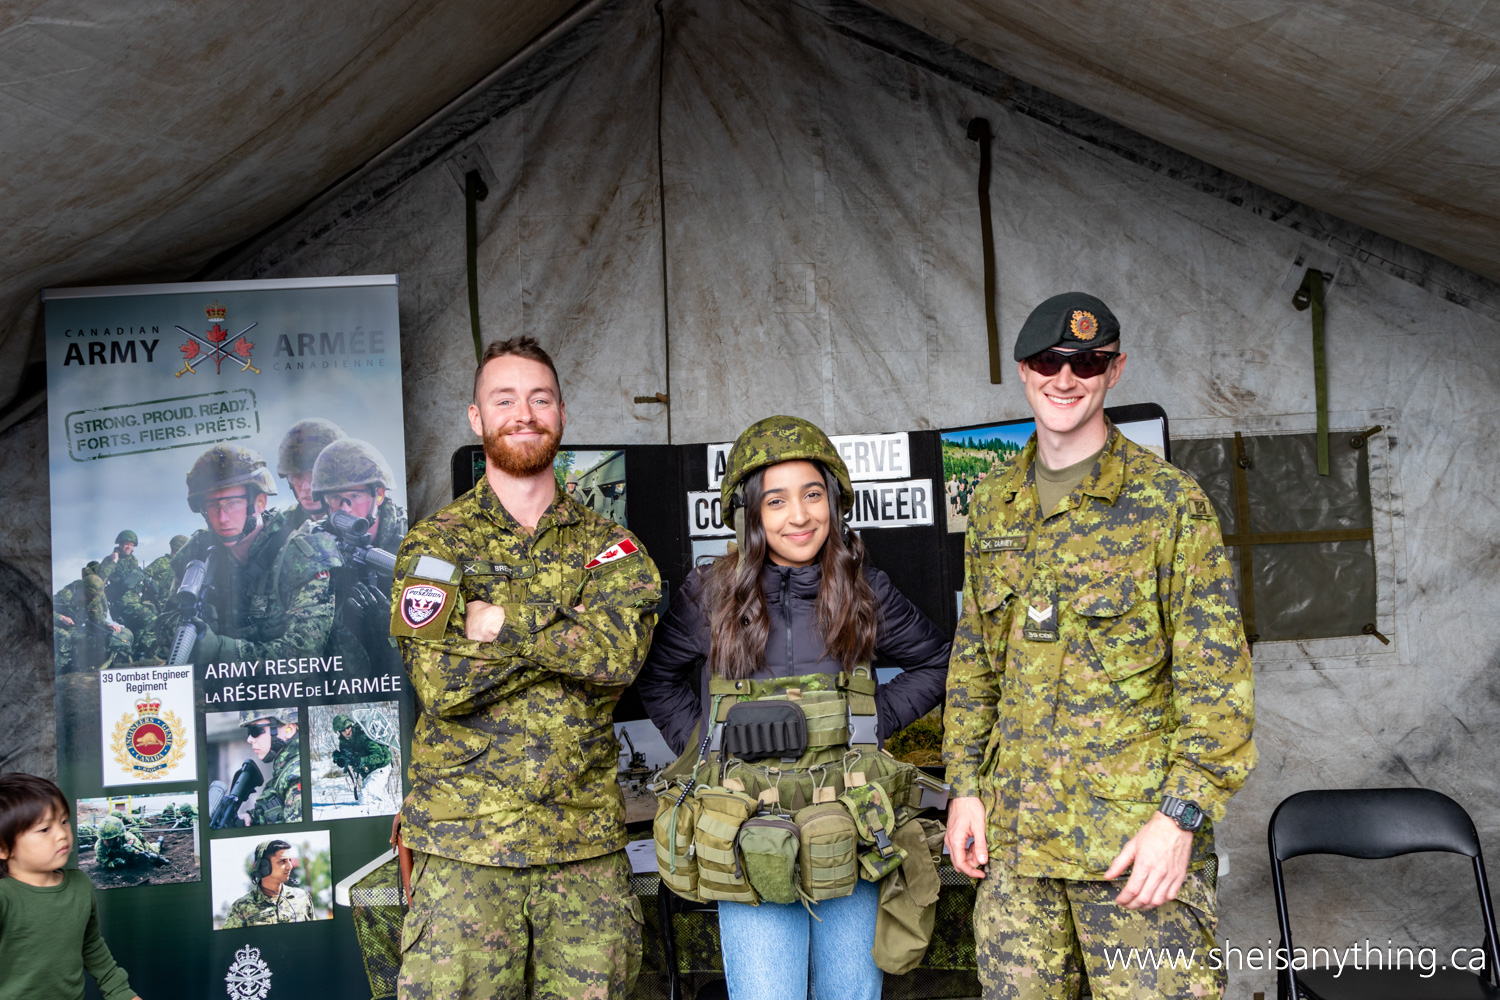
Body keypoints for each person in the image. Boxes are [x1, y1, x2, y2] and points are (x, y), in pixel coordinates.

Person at [943, 292, 1256, 1000]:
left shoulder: (1169, 504)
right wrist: (964, 788)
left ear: (1115, 371)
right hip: (1017, 853)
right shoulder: (992, 505)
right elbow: (975, 665)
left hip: (1134, 849)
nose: (1066, 378)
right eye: (1048, 361)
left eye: (1087, 362)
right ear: (1023, 370)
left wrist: (1179, 819)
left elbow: (1218, 684)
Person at [637, 414, 950, 1000]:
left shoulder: (864, 589)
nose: (799, 516)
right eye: (776, 501)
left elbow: (938, 662)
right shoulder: (711, 594)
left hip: (849, 831)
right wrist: (706, 748)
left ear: (834, 501)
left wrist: (867, 724)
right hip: (751, 834)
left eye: (812, 495)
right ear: (749, 514)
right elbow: (657, 677)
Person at [392, 335, 662, 1000]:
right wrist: (567, 627)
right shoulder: (434, 545)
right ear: (476, 418)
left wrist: (497, 624)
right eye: (504, 399)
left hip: (583, 851)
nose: (524, 414)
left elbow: (616, 658)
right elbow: (441, 684)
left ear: (562, 415)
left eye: (540, 399)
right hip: (464, 853)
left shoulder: (614, 548)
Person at [153, 443, 339, 665]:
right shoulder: (199, 549)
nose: (222, 518)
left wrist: (221, 650)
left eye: (232, 503)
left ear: (259, 502)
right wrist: (190, 628)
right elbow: (164, 624)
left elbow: (304, 653)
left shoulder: (301, 555)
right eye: (213, 506)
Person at [0, 773, 141, 1000]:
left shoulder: (80, 885)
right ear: (4, 848)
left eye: (64, 821)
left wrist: (121, 992)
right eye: (44, 829)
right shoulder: (4, 897)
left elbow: (91, 945)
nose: (62, 834)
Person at [310, 437, 406, 675]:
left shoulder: (411, 540)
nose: (345, 507)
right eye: (335, 498)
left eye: (354, 496)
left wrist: (393, 626)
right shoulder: (313, 544)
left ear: (379, 495)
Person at [221, 840, 314, 928]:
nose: (290, 866)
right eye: (282, 861)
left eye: (289, 860)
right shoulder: (241, 907)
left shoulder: (302, 898)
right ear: (264, 866)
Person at [277, 418, 347, 531]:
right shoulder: (284, 526)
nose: (305, 487)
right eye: (296, 476)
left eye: (314, 476)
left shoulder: (372, 521)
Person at [239, 709, 303, 826]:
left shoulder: (296, 775)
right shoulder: (286, 770)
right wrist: (251, 818)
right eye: (249, 732)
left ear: (289, 729)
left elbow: (297, 832)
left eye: (255, 730)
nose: (249, 739)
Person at [330, 711, 392, 801]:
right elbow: (351, 758)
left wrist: (361, 760)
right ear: (339, 731)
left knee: (365, 798)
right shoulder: (343, 742)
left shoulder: (362, 735)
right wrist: (341, 759)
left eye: (348, 727)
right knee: (379, 800)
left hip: (380, 768)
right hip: (367, 773)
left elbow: (380, 756)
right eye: (343, 730)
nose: (347, 731)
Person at [92, 815, 168, 870]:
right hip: (119, 858)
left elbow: (144, 854)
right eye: (104, 839)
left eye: (110, 839)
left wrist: (133, 851)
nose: (106, 842)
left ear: (117, 837)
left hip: (136, 851)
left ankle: (159, 842)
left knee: (154, 850)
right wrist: (113, 864)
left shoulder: (129, 839)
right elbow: (104, 863)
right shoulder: (99, 847)